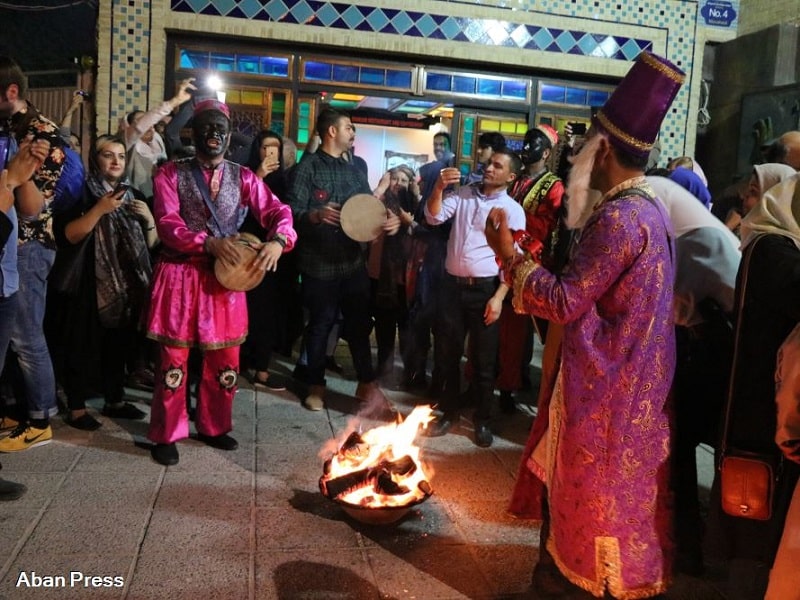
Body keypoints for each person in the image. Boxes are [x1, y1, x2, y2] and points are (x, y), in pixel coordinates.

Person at [488, 51, 684, 598]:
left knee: (586, 510)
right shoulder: (651, 211)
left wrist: (508, 254)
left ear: (604, 151)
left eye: (586, 145)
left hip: (605, 400)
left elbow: (564, 300)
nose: (576, 157)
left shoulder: (619, 217)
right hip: (633, 391)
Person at [144, 99, 296, 466]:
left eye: (221, 129)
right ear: (193, 133)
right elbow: (167, 223)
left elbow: (279, 211)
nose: (214, 134)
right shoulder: (169, 174)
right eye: (207, 127)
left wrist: (279, 240)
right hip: (180, 274)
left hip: (226, 279)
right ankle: (167, 433)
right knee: (174, 360)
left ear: (229, 137)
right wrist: (207, 243)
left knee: (225, 359)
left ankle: (213, 426)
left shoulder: (244, 177)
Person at [709, 173, 800, 600]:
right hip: (763, 402)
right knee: (756, 513)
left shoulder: (772, 245)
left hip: (764, 395)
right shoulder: (775, 251)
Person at [648, 174, 741, 575]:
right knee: (690, 448)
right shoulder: (704, 235)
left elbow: (677, 302)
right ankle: (697, 539)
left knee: (683, 446)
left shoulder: (700, 240)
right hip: (714, 355)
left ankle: (689, 544)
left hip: (707, 357)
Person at [286, 107, 399, 412]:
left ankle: (367, 383)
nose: (353, 133)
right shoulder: (307, 168)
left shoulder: (354, 172)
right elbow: (289, 213)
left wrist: (387, 220)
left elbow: (367, 210)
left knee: (360, 325)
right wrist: (314, 215)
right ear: (331, 131)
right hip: (318, 263)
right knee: (320, 324)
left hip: (352, 263)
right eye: (349, 127)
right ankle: (315, 384)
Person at [51, 135, 157, 431]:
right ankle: (77, 408)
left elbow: (151, 244)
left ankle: (115, 399)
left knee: (119, 343)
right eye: (108, 155)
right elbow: (68, 235)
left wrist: (149, 219)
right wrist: (99, 209)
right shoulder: (81, 192)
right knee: (82, 342)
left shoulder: (133, 194)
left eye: (121, 156)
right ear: (94, 159)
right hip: (88, 279)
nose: (115, 161)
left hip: (125, 283)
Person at [423, 148, 525, 448]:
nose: (489, 168)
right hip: (452, 287)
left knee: (484, 360)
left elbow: (514, 260)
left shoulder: (512, 209)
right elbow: (433, 217)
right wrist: (438, 187)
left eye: (497, 166)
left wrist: (499, 297)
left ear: (511, 176)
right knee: (447, 354)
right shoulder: (464, 194)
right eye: (489, 163)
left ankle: (482, 420)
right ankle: (449, 412)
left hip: (484, 290)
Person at [0, 56, 66, 453]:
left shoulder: (42, 133)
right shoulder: (10, 129)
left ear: (11, 92)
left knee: (26, 336)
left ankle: (40, 419)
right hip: (7, 248)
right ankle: (16, 410)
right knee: (8, 337)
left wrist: (15, 171)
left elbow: (34, 206)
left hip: (30, 246)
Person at [497, 124, 566, 412]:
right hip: (502, 257)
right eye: (525, 142)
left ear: (547, 153)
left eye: (533, 144)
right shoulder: (515, 180)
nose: (526, 148)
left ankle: (509, 387)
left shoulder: (554, 186)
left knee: (516, 331)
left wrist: (513, 216)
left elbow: (547, 227)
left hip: (529, 263)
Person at [0, 136, 51, 496]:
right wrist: (10, 182)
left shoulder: (6, 152)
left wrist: (24, 174)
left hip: (6, 282)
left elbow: (31, 210)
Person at [239, 129, 295, 390]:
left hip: (273, 253)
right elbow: (236, 209)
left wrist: (278, 242)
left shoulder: (285, 179)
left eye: (276, 148)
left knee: (268, 312)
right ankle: (237, 365)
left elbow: (286, 213)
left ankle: (261, 369)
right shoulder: (245, 175)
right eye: (266, 147)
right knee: (243, 309)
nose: (271, 152)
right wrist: (258, 176)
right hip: (244, 250)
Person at [403, 131, 454, 393]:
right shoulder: (434, 175)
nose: (438, 147)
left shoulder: (449, 182)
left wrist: (412, 226)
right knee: (423, 319)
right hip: (428, 260)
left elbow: (438, 230)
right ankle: (421, 374)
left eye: (442, 143)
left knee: (430, 319)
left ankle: (429, 377)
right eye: (436, 143)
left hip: (439, 262)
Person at [367, 165, 420, 382]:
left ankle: (411, 371)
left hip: (405, 277)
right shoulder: (378, 202)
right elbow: (362, 211)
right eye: (394, 179)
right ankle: (384, 366)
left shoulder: (415, 206)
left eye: (404, 180)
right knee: (384, 324)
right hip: (380, 274)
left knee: (407, 326)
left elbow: (424, 232)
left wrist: (406, 220)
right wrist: (380, 188)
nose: (398, 184)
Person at [120, 78, 196, 198]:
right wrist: (174, 101)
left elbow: (172, 130)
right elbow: (139, 127)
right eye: (143, 121)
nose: (149, 126)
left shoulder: (157, 140)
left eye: (150, 122)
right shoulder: (127, 146)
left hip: (165, 196)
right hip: (141, 200)